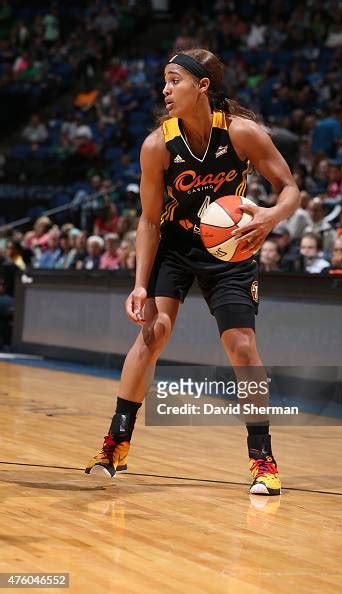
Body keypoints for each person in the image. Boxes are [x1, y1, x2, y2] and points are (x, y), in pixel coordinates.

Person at [85, 49, 300, 496]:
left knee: (241, 347)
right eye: (164, 81)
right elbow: (147, 220)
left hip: (231, 249)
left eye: (174, 80)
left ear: (202, 86)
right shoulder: (157, 145)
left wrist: (269, 218)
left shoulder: (242, 134)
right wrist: (140, 283)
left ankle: (263, 460)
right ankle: (115, 443)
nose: (165, 89)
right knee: (153, 332)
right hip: (176, 246)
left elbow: (290, 189)